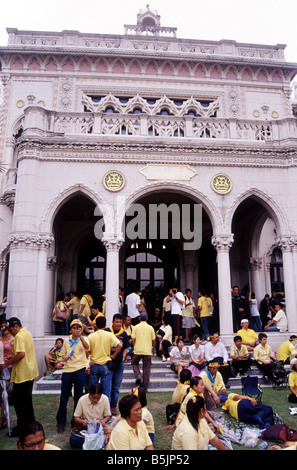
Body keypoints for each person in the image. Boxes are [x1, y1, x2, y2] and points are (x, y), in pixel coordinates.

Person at [0, 317, 38, 437]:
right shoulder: (27, 333)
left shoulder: (19, 336)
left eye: (11, 330)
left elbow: (21, 354)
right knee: (27, 402)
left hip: (22, 373)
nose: (11, 332)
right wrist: (10, 359)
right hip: (30, 372)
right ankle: (30, 426)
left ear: (16, 326)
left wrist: (7, 363)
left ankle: (22, 428)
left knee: (19, 403)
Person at [56, 319, 89, 433]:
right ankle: (61, 422)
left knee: (78, 397)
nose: (76, 330)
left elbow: (87, 348)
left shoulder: (84, 340)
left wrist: (81, 337)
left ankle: (75, 421)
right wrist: (63, 358)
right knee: (64, 397)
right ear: (71, 329)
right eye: (74, 328)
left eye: (79, 328)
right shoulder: (66, 341)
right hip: (68, 370)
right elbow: (63, 354)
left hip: (80, 369)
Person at [88, 316, 122, 400]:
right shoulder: (109, 335)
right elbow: (120, 345)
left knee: (92, 390)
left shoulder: (91, 336)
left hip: (94, 364)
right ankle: (107, 412)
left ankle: (92, 410)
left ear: (95, 325)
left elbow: (87, 351)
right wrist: (113, 356)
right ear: (105, 325)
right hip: (105, 364)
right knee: (106, 392)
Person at [69, 383, 111, 449]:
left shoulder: (105, 399)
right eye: (93, 398)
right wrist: (82, 421)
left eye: (98, 398)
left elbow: (108, 416)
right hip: (86, 429)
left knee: (110, 437)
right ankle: (97, 444)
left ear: (101, 394)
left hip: (99, 429)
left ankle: (94, 443)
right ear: (89, 393)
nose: (95, 400)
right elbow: (76, 417)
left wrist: (103, 420)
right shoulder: (82, 399)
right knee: (73, 440)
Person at [105, 313, 129, 415]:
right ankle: (106, 408)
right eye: (116, 322)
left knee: (116, 387)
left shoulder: (124, 334)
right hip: (107, 363)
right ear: (112, 322)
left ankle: (113, 406)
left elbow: (125, 348)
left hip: (119, 364)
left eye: (120, 322)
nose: (118, 324)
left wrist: (123, 357)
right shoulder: (106, 331)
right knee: (107, 387)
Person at [131, 312, 156, 392]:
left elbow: (132, 339)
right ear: (147, 318)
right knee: (146, 369)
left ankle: (138, 376)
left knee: (134, 363)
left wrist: (135, 346)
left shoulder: (135, 327)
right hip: (147, 351)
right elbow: (153, 340)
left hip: (137, 350)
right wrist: (154, 348)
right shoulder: (150, 327)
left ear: (139, 319)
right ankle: (145, 388)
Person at [0, 318, 14, 430]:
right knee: (1, 394)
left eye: (5, 326)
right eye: (1, 326)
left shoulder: (13, 340)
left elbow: (16, 354)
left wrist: (8, 358)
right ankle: (2, 416)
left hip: (10, 368)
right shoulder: (0, 339)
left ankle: (7, 416)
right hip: (1, 368)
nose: (3, 328)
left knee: (9, 393)